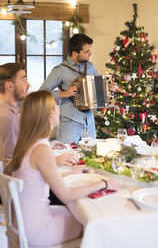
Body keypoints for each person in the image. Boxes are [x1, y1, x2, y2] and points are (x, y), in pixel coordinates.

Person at [11, 91, 119, 246]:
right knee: (97, 225)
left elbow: (40, 179)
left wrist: (72, 172)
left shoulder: (29, 143)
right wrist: (104, 183)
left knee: (80, 214)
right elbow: (67, 195)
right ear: (49, 114)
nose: (58, 108)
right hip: (37, 229)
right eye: (55, 106)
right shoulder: (41, 149)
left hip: (26, 220)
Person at [0, 62, 78, 172]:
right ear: (9, 86)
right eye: (23, 79)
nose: (28, 85)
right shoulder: (7, 118)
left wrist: (44, 146)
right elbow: (9, 168)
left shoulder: (10, 111)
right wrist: (52, 161)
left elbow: (18, 150)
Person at [40, 34, 98, 143]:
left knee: (90, 155)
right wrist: (64, 94)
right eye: (86, 52)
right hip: (70, 121)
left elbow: (97, 87)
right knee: (66, 154)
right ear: (75, 53)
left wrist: (108, 88)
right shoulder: (60, 70)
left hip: (89, 121)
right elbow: (41, 93)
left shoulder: (90, 66)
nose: (90, 54)